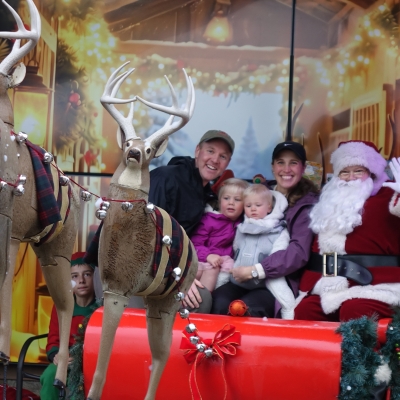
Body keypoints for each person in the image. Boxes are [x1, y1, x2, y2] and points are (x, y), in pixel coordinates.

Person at [295, 140, 400, 322]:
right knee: (305, 311)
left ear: (371, 172)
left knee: (354, 311)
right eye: (344, 172)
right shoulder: (330, 201)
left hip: (378, 286)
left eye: (358, 171)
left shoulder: (389, 195)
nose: (351, 177)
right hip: (331, 286)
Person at [211, 141, 319, 317]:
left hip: (276, 279)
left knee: (247, 309)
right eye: (280, 162)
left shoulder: (306, 205)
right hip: (240, 273)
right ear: (272, 166)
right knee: (219, 302)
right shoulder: (259, 192)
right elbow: (233, 226)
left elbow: (298, 252)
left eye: (293, 163)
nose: (286, 169)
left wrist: (256, 270)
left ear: (303, 168)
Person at [219, 184, 296, 318]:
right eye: (248, 206)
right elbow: (235, 250)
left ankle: (288, 314)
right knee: (220, 301)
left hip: (265, 284)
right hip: (237, 282)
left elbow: (278, 258)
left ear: (269, 207)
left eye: (258, 205)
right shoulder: (241, 228)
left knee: (248, 308)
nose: (253, 209)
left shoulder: (279, 231)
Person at [40, 252, 98, 400]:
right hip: (66, 360)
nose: (81, 281)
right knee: (50, 375)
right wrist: (56, 355)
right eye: (75, 276)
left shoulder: (101, 308)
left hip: (91, 363)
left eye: (87, 274)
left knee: (80, 385)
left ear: (96, 278)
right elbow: (53, 338)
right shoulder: (61, 306)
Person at [188, 178, 249, 312]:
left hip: (224, 265)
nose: (231, 203)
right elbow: (195, 243)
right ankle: (201, 305)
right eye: (226, 198)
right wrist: (208, 255)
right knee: (212, 269)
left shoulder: (242, 224)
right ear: (220, 201)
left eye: (237, 199)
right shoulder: (209, 220)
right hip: (202, 261)